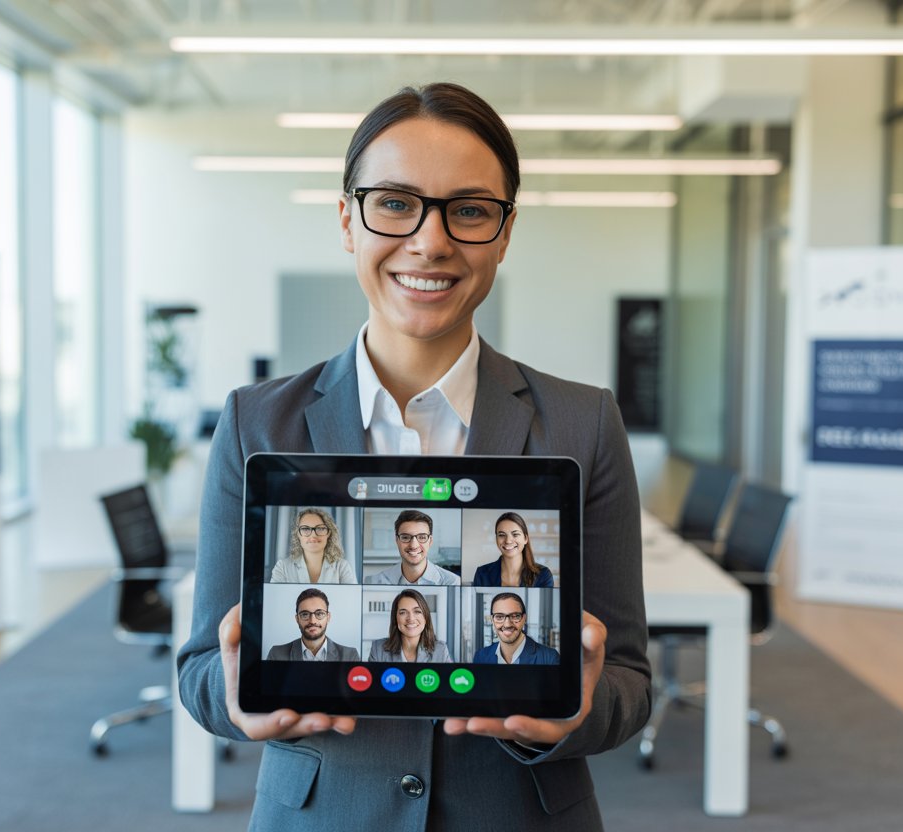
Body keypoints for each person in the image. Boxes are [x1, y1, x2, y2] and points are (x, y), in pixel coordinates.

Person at [177, 81, 650, 830]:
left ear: (503, 231)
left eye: (468, 210)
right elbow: (203, 669)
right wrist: (237, 700)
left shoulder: (583, 422)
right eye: (395, 203)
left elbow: (626, 679)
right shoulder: (256, 423)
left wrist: (571, 716)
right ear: (347, 220)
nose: (430, 241)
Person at [364, 509, 459, 586]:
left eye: (422, 537)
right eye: (405, 537)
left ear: (430, 541)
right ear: (397, 541)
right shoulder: (374, 581)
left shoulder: (451, 582)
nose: (413, 545)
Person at [267, 588, 360, 661]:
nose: (312, 621)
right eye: (305, 614)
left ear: (328, 617)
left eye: (319, 613)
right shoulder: (276, 654)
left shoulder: (350, 655)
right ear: (297, 619)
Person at [269, 507, 356, 583]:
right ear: (298, 534)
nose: (313, 535)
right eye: (305, 529)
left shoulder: (342, 567)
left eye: (320, 528)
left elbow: (352, 598)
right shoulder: (282, 567)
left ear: (328, 533)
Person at [471, 592, 559, 665]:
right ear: (492, 620)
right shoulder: (480, 656)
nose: (507, 624)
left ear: (524, 618)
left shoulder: (550, 658)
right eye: (499, 617)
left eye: (515, 616)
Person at [366, 588, 452, 663]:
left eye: (417, 611)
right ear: (395, 618)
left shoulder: (440, 650)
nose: (410, 618)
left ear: (425, 618)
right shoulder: (378, 649)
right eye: (403, 612)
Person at [471, 512, 555, 587]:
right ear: (496, 538)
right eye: (501, 535)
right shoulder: (482, 574)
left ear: (525, 539)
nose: (508, 541)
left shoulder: (543, 575)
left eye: (515, 534)